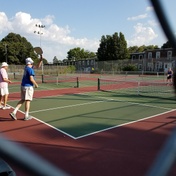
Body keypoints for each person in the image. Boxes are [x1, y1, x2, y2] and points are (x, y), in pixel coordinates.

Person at [10, 55, 43, 120]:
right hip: (28, 87)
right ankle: (26, 116)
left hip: (23, 86)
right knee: (28, 101)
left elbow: (37, 66)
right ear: (31, 63)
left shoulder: (26, 68)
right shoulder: (30, 69)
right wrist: (36, 84)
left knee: (22, 100)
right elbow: (31, 78)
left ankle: (14, 112)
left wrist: (40, 60)